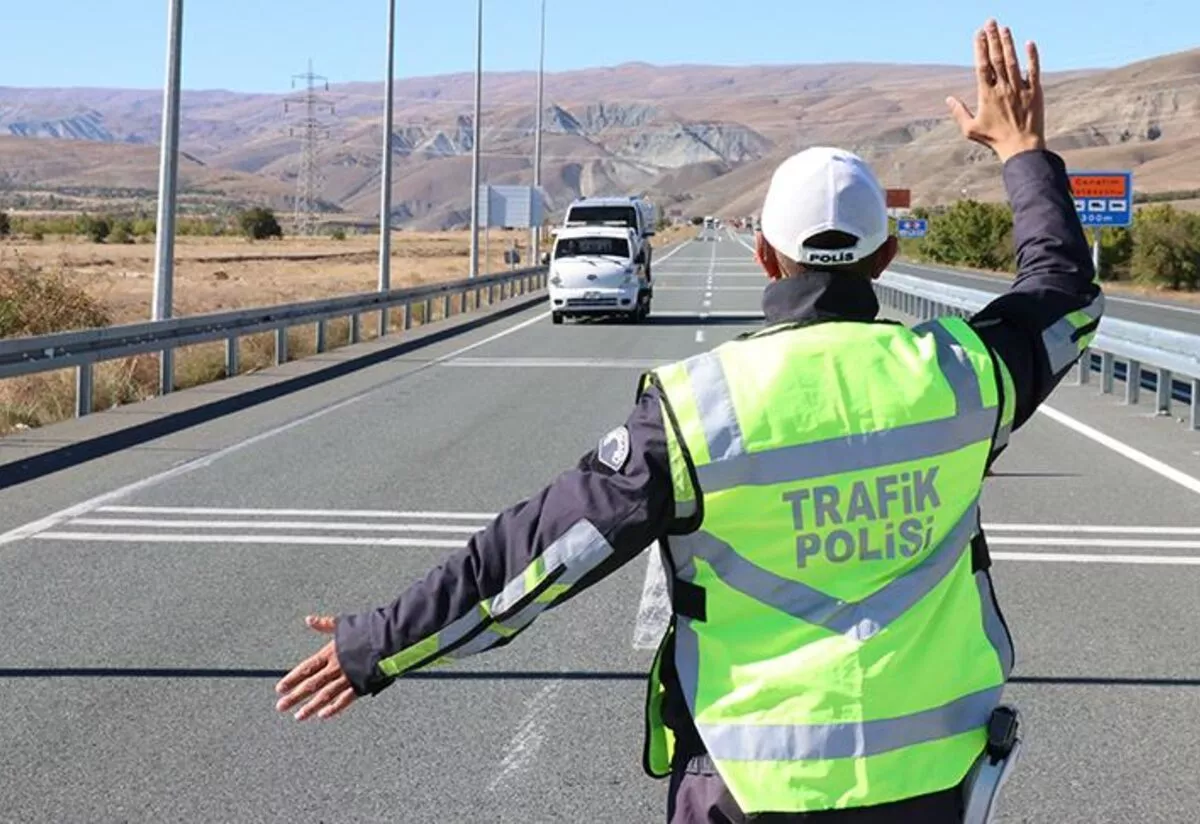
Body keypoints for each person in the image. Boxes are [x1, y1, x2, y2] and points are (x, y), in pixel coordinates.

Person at [275, 19, 1102, 823]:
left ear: (764, 257)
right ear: (885, 260)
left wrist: (377, 645)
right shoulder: (963, 375)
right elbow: (1063, 290)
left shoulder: (698, 412)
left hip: (749, 787)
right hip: (936, 780)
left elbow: (531, 557)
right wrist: (1022, 152)